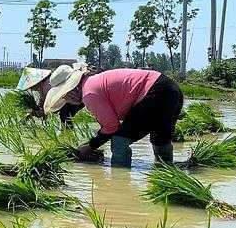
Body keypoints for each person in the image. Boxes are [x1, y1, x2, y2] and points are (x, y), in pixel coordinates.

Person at [42, 65, 183, 167]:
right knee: (160, 138)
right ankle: (167, 174)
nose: (67, 100)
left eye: (65, 96)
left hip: (155, 92)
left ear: (72, 89)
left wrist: (90, 146)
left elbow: (112, 127)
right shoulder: (94, 81)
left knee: (119, 140)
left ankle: (120, 181)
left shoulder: (89, 93)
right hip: (171, 89)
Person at [16, 65, 87, 127]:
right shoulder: (43, 85)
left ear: (36, 83)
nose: (32, 89)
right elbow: (43, 101)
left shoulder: (46, 86)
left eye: (32, 87)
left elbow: (53, 102)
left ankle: (67, 133)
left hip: (74, 97)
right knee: (65, 115)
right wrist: (33, 113)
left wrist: (42, 111)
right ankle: (67, 133)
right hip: (75, 96)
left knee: (65, 114)